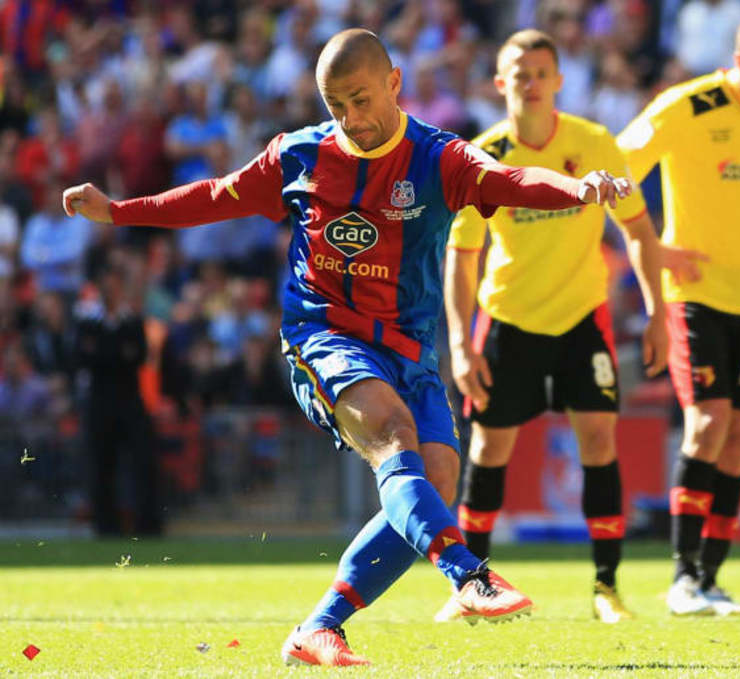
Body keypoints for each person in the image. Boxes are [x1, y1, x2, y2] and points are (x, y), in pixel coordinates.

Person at [62, 28, 633, 667]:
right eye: (336, 105)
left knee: (439, 478)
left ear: (394, 83)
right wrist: (119, 211)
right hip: (324, 337)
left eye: (361, 100)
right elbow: (216, 196)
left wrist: (577, 189)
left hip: (410, 351)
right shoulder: (300, 155)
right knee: (393, 435)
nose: (351, 119)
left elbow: (510, 178)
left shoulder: (438, 158)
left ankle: (319, 627)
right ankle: (469, 574)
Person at [443, 29, 669, 624]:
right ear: (500, 83)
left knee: (598, 439)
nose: (532, 83)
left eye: (542, 72)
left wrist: (658, 313)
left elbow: (639, 230)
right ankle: (470, 589)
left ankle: (606, 588)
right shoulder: (482, 156)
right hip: (509, 318)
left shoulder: (594, 143)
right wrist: (461, 345)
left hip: (581, 318)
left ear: (559, 81)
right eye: (520, 74)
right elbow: (461, 256)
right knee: (489, 449)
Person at [616, 5, 740, 616]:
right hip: (695, 294)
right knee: (709, 422)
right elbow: (617, 173)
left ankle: (711, 578)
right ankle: (681, 578)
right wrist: (655, 247)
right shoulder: (687, 107)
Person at [75, 268, 160, 537]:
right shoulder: (89, 323)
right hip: (101, 403)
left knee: (142, 461)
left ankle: (147, 524)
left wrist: (103, 354)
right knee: (102, 465)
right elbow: (83, 357)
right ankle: (106, 525)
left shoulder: (130, 322)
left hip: (128, 400)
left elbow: (138, 356)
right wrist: (119, 355)